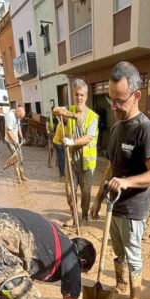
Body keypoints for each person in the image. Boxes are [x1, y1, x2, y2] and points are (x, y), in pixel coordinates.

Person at [90, 61, 150, 299]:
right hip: (114, 204)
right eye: (112, 100)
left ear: (136, 96)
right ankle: (120, 285)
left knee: (132, 255)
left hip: (134, 208)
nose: (115, 107)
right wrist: (98, 199)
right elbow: (110, 167)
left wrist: (127, 182)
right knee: (118, 251)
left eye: (120, 101)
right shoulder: (117, 128)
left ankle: (135, 298)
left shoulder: (146, 130)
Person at [53, 80, 99, 226]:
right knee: (70, 191)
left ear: (86, 97)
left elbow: (89, 137)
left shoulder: (92, 116)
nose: (79, 98)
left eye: (82, 95)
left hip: (86, 163)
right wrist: (74, 116)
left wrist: (72, 142)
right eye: (76, 95)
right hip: (71, 160)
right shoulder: (70, 109)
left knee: (86, 193)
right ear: (73, 96)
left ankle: (84, 216)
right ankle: (74, 216)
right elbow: (56, 110)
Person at [4, 106, 27, 183]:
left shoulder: (18, 116)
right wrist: (15, 141)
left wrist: (21, 137)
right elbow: (9, 132)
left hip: (16, 140)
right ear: (18, 112)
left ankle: (22, 175)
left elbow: (18, 127)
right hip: (10, 141)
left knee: (21, 158)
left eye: (21, 117)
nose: (20, 118)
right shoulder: (10, 117)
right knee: (16, 159)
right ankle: (18, 178)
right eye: (20, 116)